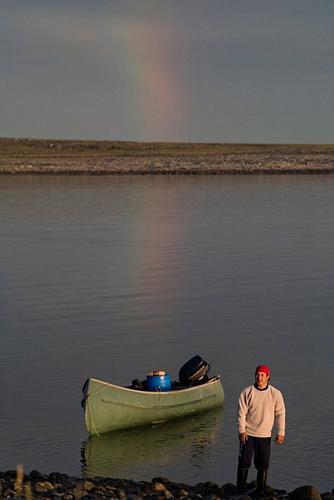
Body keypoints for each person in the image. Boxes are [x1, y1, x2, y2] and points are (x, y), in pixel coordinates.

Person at [236, 364, 286, 496]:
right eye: (257, 375)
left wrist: (281, 432)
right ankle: (240, 489)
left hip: (265, 435)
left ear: (268, 377)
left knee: (263, 464)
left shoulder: (275, 394)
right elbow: (241, 413)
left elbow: (280, 414)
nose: (259, 377)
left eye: (262, 375)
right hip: (248, 434)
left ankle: (260, 490)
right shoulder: (247, 392)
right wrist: (242, 430)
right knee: (244, 462)